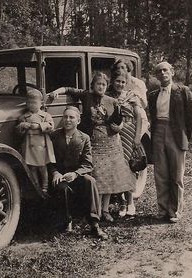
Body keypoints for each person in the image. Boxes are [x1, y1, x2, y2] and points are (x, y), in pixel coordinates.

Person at [49, 72, 136, 222]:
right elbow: (70, 89)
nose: (101, 87)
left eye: (103, 84)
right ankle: (94, 209)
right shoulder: (86, 95)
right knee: (96, 175)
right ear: (93, 85)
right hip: (93, 141)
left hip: (110, 142)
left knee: (109, 175)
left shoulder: (112, 101)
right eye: (98, 84)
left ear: (106, 85)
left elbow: (119, 120)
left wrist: (119, 126)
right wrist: (57, 91)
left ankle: (105, 209)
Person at [148, 62, 192, 223]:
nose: (163, 73)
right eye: (159, 71)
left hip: (176, 133)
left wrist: (184, 135)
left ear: (172, 72)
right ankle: (162, 209)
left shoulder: (183, 91)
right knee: (160, 173)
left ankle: (175, 210)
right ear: (156, 76)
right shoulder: (153, 95)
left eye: (165, 70)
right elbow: (153, 117)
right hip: (158, 133)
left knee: (176, 175)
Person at [49, 106, 107, 239]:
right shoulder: (54, 136)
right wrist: (55, 173)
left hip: (76, 174)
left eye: (71, 117)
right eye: (65, 117)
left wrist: (75, 174)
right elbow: (47, 160)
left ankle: (94, 224)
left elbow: (88, 164)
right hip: (60, 175)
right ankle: (66, 221)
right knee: (62, 188)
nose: (67, 120)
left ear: (78, 121)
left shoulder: (84, 138)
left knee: (90, 181)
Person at [106, 69, 142, 217]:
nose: (120, 84)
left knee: (128, 168)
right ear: (112, 82)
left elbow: (138, 117)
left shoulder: (131, 96)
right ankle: (121, 202)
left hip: (128, 132)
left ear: (126, 83)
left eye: (123, 82)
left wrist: (137, 137)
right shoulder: (107, 96)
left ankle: (130, 202)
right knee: (116, 168)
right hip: (113, 134)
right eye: (117, 81)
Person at [16, 89, 56, 193]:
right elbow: (18, 132)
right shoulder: (24, 117)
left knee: (42, 167)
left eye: (34, 102)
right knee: (32, 167)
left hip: (41, 145)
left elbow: (51, 126)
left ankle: (45, 187)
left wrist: (39, 126)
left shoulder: (45, 115)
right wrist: (23, 125)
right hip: (29, 144)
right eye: (29, 102)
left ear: (41, 103)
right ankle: (36, 185)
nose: (32, 105)